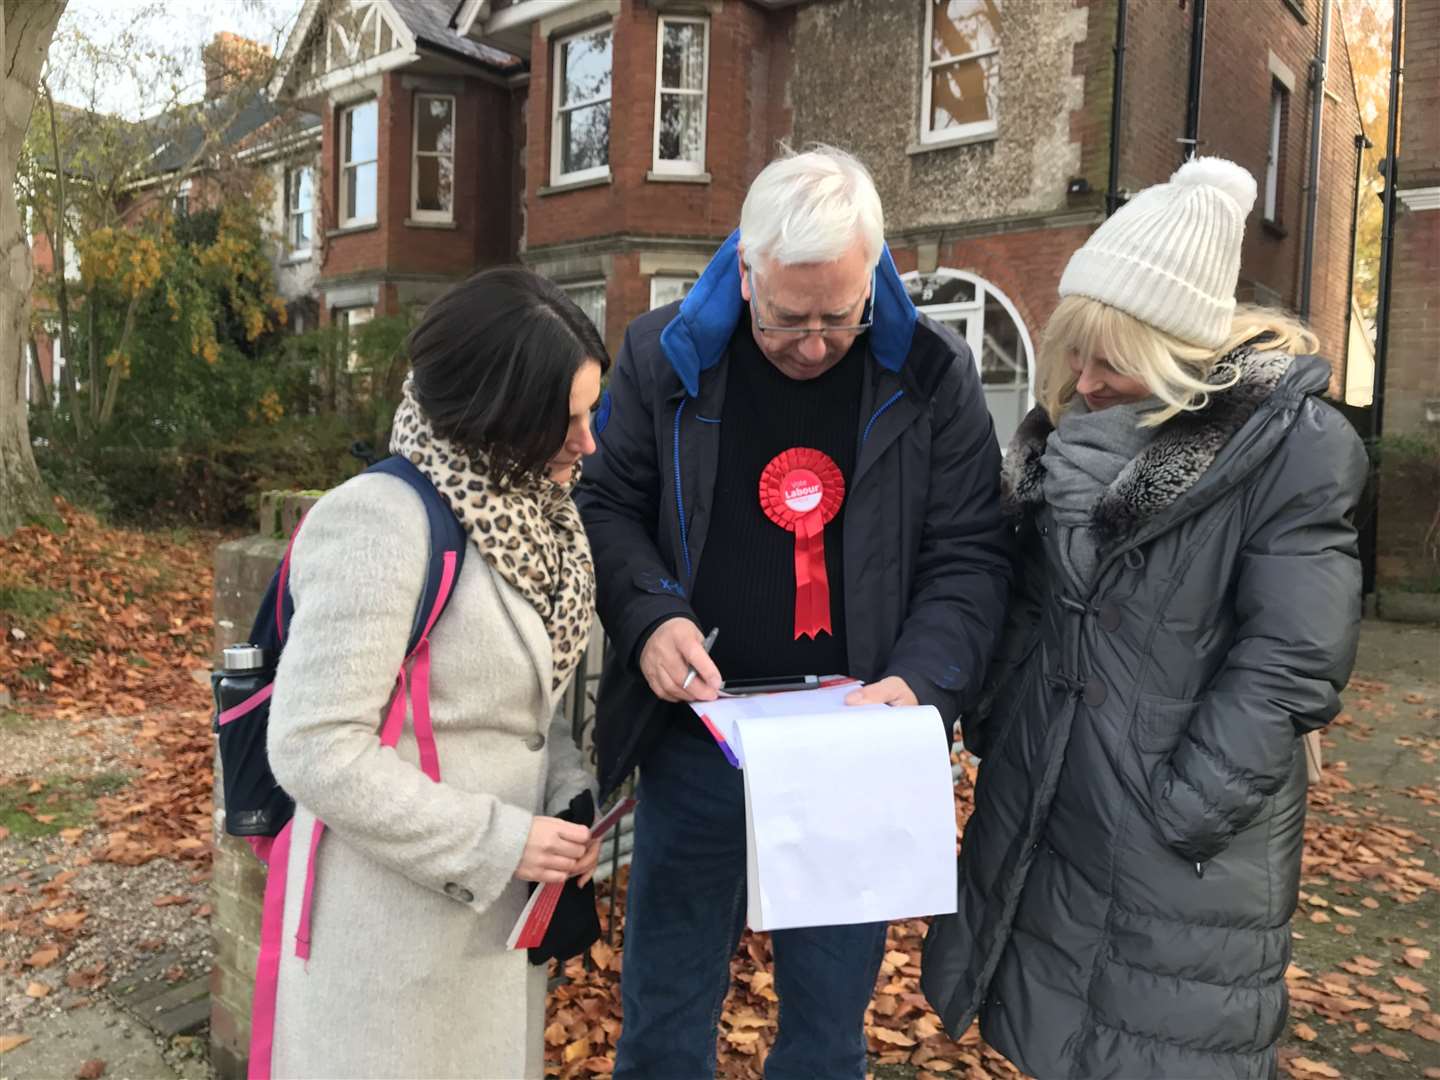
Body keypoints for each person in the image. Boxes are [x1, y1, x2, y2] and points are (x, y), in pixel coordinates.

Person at [920, 157, 1367, 1079]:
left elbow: (1291, 656)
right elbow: (1036, 609)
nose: (1082, 381)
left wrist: (1187, 804)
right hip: (1053, 801)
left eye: (1110, 357)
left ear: (1177, 350)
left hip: (1183, 836)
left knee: (1161, 1044)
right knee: (1055, 1031)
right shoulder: (1060, 446)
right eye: (1075, 350)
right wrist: (1003, 722)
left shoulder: (1291, 451)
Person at [577, 145, 1011, 1078]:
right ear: (745, 272)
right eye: (785, 318)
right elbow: (605, 505)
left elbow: (971, 552)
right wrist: (651, 615)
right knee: (663, 1014)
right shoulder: (662, 357)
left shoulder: (934, 376)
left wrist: (923, 680)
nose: (813, 344)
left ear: (875, 277)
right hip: (699, 737)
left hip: (854, 745)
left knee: (825, 1030)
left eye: (838, 318)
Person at [263, 269, 607, 1078]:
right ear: (498, 414)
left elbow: (519, 709)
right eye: (567, 419)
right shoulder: (380, 521)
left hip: (490, 927)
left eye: (593, 411)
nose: (589, 441)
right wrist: (503, 841)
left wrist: (567, 792)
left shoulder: (536, 513)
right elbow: (314, 746)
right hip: (385, 939)